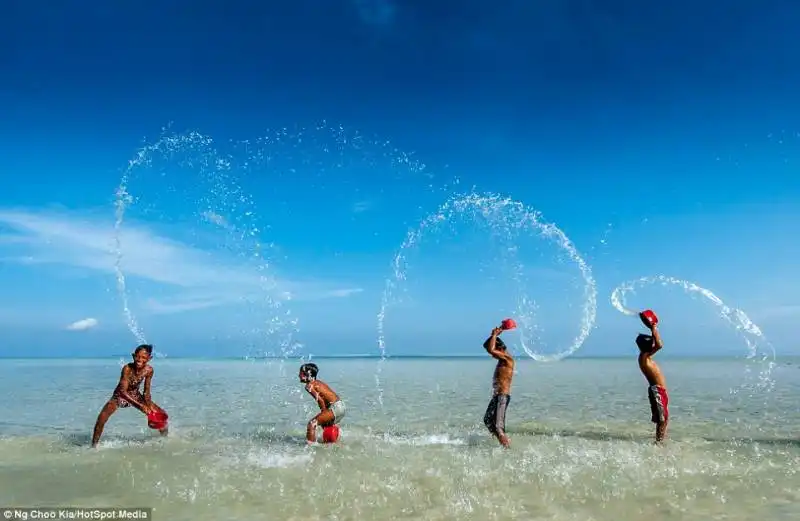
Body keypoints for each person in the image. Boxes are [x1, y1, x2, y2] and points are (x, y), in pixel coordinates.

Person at [91, 344, 168, 447]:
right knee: (101, 419)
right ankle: (94, 446)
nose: (139, 360)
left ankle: (165, 440)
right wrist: (141, 406)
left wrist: (149, 408)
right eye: (137, 356)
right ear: (133, 356)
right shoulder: (127, 368)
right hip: (119, 396)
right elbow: (123, 392)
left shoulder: (149, 370)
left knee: (160, 414)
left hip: (135, 395)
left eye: (144, 357)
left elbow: (146, 393)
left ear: (149, 358)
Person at [636, 319, 668, 444]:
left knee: (663, 418)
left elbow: (657, 345)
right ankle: (659, 443)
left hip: (659, 390)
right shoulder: (644, 358)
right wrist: (653, 328)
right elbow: (659, 345)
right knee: (662, 419)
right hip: (657, 390)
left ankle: (659, 440)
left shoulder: (646, 356)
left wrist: (653, 329)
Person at [482, 326, 514, 447]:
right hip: (497, 397)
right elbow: (491, 349)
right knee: (487, 420)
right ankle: (502, 443)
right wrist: (494, 336)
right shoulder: (501, 361)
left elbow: (491, 350)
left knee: (498, 427)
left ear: (499, 348)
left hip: (502, 397)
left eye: (494, 352)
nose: (491, 355)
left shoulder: (507, 358)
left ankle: (507, 449)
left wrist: (495, 335)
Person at [299, 363, 346, 444]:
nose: (298, 375)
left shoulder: (309, 385)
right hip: (341, 406)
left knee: (311, 424)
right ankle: (332, 441)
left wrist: (323, 412)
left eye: (300, 373)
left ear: (307, 374)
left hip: (335, 407)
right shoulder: (318, 382)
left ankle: (310, 449)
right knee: (324, 425)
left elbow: (320, 400)